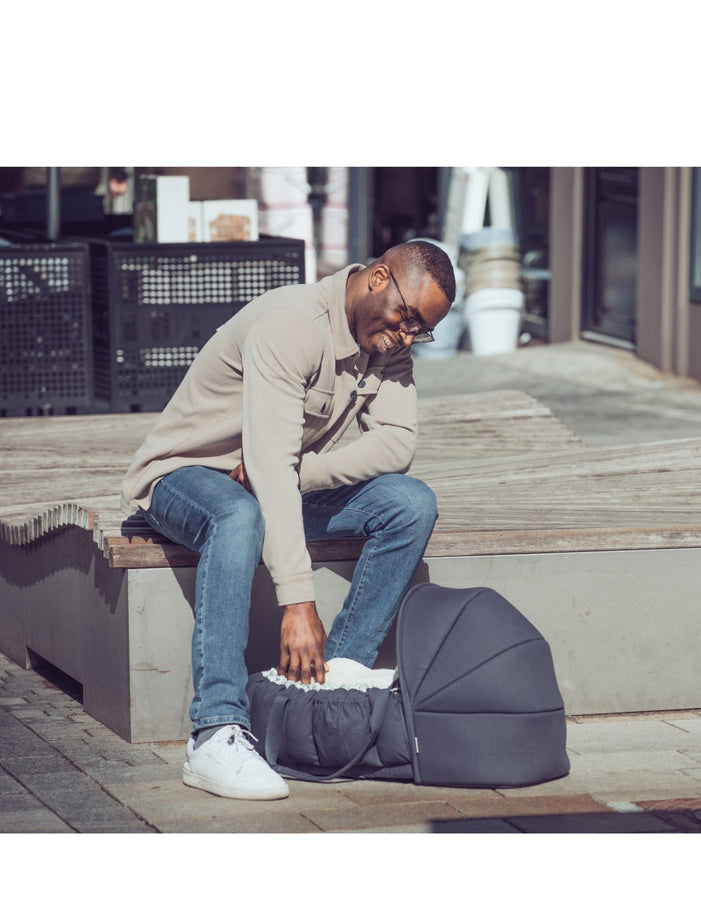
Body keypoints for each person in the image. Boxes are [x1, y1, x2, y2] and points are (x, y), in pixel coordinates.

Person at [121, 240, 456, 800]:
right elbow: (269, 465)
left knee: (410, 503)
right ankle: (215, 730)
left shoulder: (386, 343)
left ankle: (332, 683)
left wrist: (305, 473)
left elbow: (397, 442)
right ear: (378, 278)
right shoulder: (292, 324)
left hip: (271, 480)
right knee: (238, 515)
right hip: (184, 476)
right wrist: (297, 602)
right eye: (407, 317)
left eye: (421, 330)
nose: (406, 336)